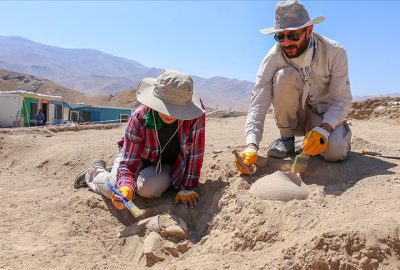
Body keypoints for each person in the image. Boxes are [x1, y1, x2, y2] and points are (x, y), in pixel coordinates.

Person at [236, 0, 352, 174]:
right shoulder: (273, 58)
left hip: (324, 117)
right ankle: (287, 140)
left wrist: (325, 129)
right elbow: (258, 103)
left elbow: (341, 100)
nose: (286, 43)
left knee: (335, 152)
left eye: (293, 36)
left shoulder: (335, 52)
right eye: (280, 36)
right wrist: (251, 145)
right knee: (285, 75)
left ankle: (339, 134)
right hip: (295, 119)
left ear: (309, 30)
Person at [74, 70, 206, 209]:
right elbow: (129, 164)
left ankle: (128, 176)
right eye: (166, 107)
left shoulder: (195, 116)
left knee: (147, 189)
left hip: (166, 164)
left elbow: (196, 153)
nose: (169, 113)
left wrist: (187, 186)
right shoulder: (139, 118)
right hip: (135, 156)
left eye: (175, 109)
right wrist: (126, 186)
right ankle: (94, 172)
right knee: (114, 187)